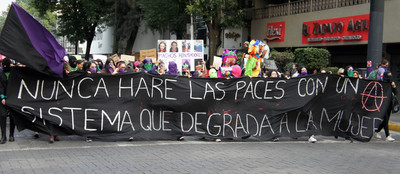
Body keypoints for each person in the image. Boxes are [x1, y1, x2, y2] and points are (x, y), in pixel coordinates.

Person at [375, 70, 396, 142]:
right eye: (388, 75)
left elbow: (395, 93)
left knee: (385, 120)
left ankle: (377, 130)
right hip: (383, 104)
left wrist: (394, 87)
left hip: (390, 103)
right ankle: (387, 135)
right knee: (386, 119)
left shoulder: (391, 84)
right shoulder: (382, 84)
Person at [0, 58, 15, 144]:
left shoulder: (14, 73)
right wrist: (2, 97)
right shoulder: (1, 74)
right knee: (2, 116)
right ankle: (3, 136)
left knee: (12, 116)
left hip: (12, 98)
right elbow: (0, 86)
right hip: (2, 98)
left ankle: (11, 135)